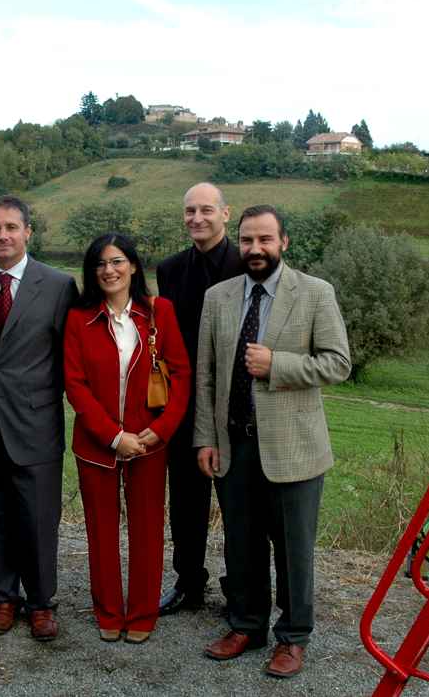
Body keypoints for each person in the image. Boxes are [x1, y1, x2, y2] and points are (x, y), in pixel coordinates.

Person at [193, 205, 351, 677]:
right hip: (234, 445)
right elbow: (206, 376)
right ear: (238, 243)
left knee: (293, 549)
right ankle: (246, 625)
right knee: (240, 544)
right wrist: (206, 436)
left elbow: (338, 363)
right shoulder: (218, 297)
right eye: (247, 240)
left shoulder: (316, 293)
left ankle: (293, 636)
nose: (255, 249)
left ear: (284, 242)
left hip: (295, 449)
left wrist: (276, 365)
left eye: (264, 239)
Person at [0, 194, 78, 641]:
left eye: (11, 227)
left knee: (39, 518)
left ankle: (42, 603)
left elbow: (70, 358)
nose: (2, 235)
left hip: (35, 423)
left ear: (29, 231)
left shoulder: (59, 284)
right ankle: (3, 598)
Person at [64, 234, 191, 643]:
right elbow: (75, 384)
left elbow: (182, 375)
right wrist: (113, 436)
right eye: (100, 264)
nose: (109, 270)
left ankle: (141, 613)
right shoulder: (78, 318)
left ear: (134, 266)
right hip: (97, 444)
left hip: (150, 443)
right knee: (101, 532)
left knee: (148, 529)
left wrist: (161, 430)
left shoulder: (159, 313)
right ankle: (107, 611)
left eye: (117, 262)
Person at [155, 182, 245, 615]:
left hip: (237, 403)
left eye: (206, 210)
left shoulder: (249, 265)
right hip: (185, 403)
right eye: (190, 210)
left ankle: (238, 589)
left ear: (225, 214)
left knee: (237, 506)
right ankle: (189, 583)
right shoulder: (169, 270)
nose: (197, 218)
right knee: (186, 504)